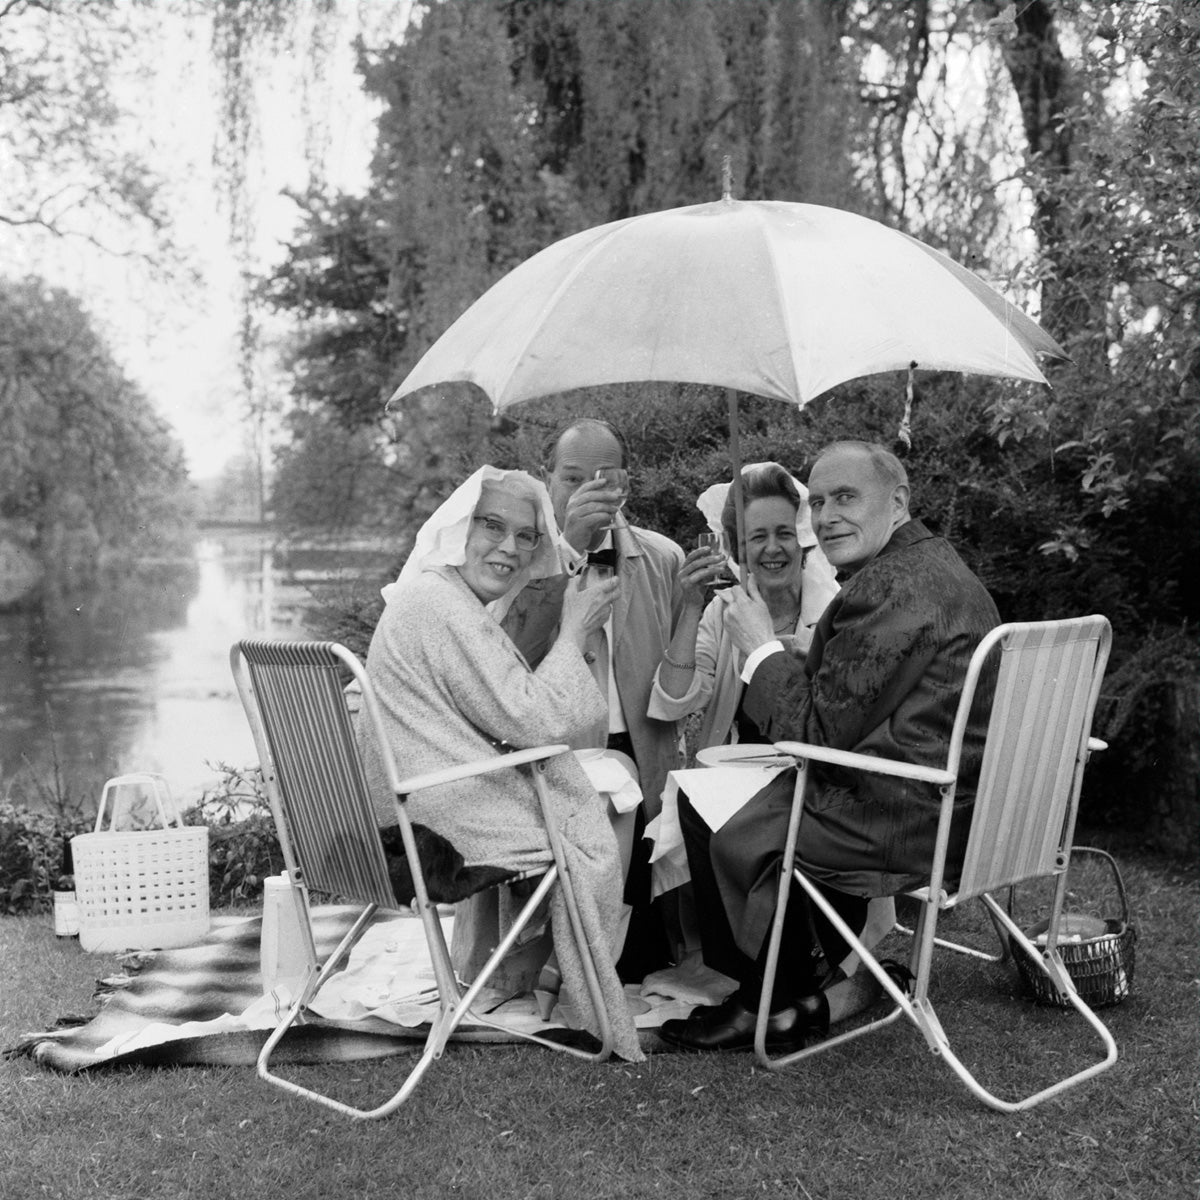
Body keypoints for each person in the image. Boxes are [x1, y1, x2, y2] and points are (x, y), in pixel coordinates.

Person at [658, 441, 1001, 1053]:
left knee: (712, 806)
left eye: (845, 497)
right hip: (949, 804)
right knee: (725, 798)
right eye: (817, 501)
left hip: (897, 820)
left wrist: (762, 648)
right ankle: (792, 993)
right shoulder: (934, 568)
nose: (826, 515)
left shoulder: (887, 590)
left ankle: (763, 996)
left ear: (897, 502)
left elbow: (814, 735)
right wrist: (795, 657)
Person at [356, 465, 643, 1061]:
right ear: (459, 527)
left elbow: (499, 711)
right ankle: (582, 995)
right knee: (594, 818)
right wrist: (577, 627)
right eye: (493, 526)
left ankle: (507, 973)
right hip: (427, 831)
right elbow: (534, 719)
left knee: (575, 793)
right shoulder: (441, 606)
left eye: (527, 535)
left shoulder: (436, 597)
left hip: (394, 810)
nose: (509, 548)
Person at [502, 418, 686, 982]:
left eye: (603, 479)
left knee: (642, 958)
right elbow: (504, 662)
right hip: (551, 755)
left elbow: (680, 682)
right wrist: (568, 552)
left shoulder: (662, 559)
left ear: (625, 485)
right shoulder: (513, 562)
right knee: (553, 942)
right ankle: (551, 963)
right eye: (572, 477)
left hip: (638, 750)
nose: (586, 491)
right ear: (546, 480)